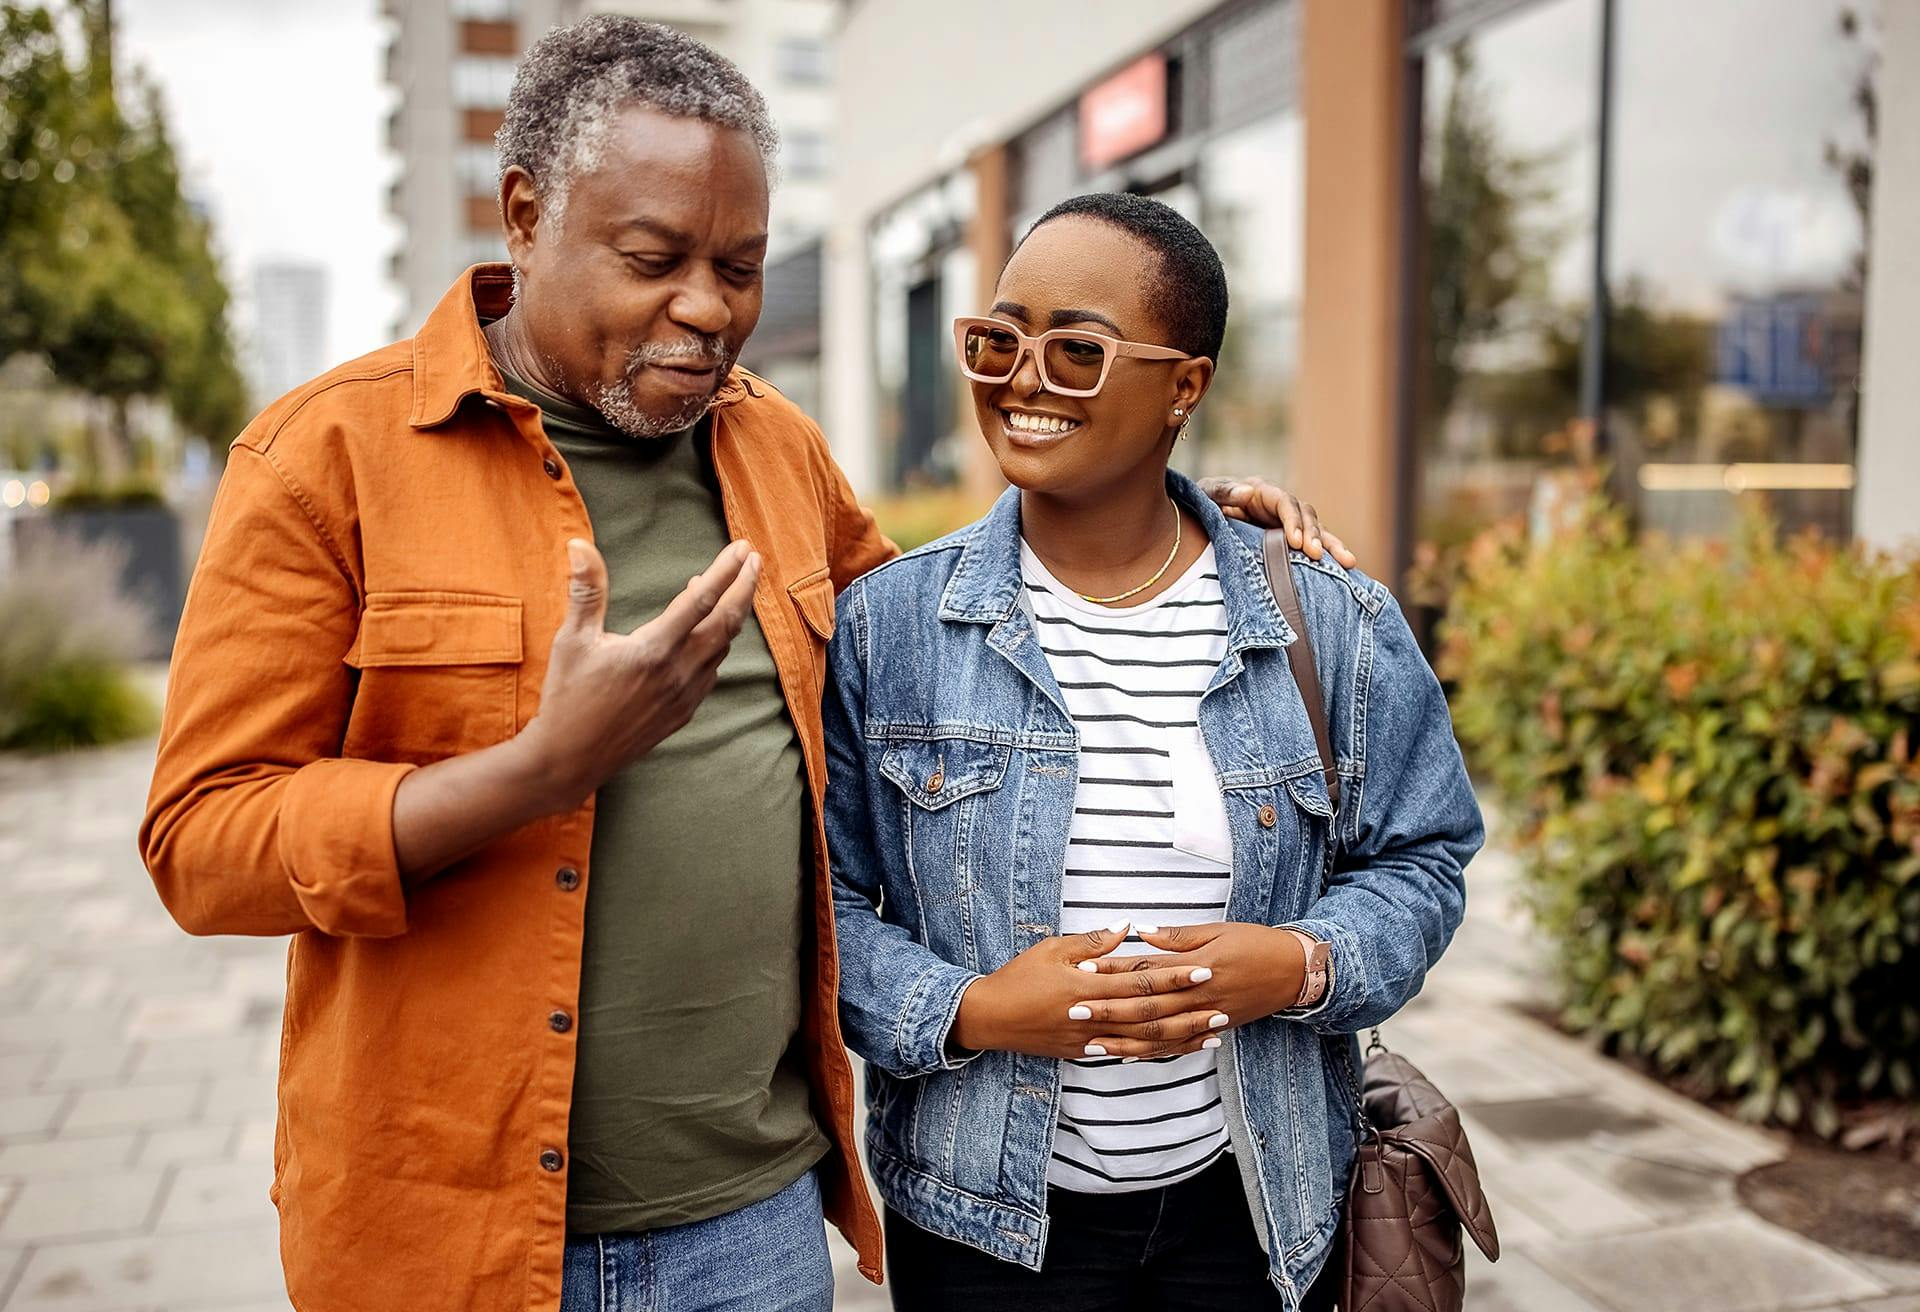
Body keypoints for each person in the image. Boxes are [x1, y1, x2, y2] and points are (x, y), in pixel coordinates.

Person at [138, 20, 1347, 1312]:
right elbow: (201, 844)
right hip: (455, 1239)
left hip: (753, 1227)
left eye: (742, 266)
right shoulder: (326, 461)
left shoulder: (774, 450)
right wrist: (534, 771)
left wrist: (1153, 517)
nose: (710, 310)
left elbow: (965, 624)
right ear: (525, 216)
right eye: (655, 260)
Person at [823, 192, 1484, 1311]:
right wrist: (974, 1008)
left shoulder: (1328, 620)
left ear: (1186, 384)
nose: (1023, 378)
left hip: (1257, 1208)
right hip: (985, 1227)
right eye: (998, 339)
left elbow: (1424, 859)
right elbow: (824, 904)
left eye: (1077, 349)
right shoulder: (891, 625)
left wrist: (1297, 964)